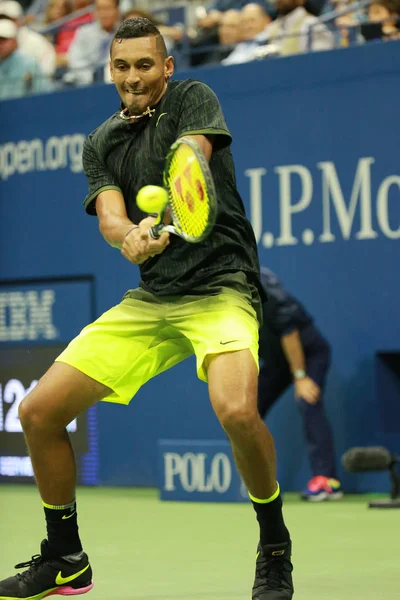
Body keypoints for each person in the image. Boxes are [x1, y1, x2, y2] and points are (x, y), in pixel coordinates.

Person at [0, 17, 294, 600]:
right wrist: (128, 236)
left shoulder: (192, 99)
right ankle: (66, 558)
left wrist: (182, 175)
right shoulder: (100, 141)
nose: (133, 76)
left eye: (144, 64)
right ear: (110, 70)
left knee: (236, 412)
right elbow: (110, 215)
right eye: (122, 66)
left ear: (167, 67)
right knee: (37, 413)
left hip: (221, 287)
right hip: (153, 298)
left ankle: (274, 545)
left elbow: (193, 151)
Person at [258, 267, 343, 501]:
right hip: (276, 361)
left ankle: (327, 481)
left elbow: (289, 332)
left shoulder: (263, 287)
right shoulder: (223, 292)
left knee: (308, 401)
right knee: (243, 410)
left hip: (307, 353)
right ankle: (252, 478)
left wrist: (300, 377)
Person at [0, 18, 51, 100]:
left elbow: (43, 91)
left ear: (14, 41)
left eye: (3, 40)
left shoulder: (29, 62)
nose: (0, 45)